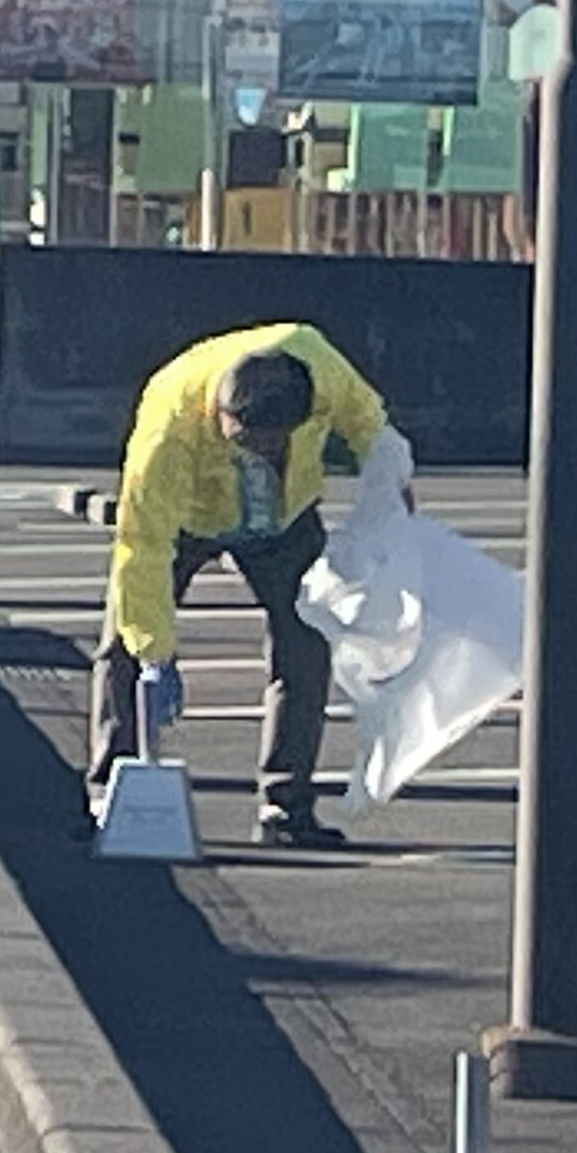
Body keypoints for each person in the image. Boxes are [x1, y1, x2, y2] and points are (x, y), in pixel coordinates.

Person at [90, 323, 414, 851]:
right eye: (243, 439)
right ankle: (110, 790)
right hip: (191, 518)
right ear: (220, 413)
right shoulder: (169, 431)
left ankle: (285, 805)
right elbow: (141, 548)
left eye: (272, 443)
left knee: (306, 646)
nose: (259, 451)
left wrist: (391, 482)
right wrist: (154, 651)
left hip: (284, 520)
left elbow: (370, 425)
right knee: (124, 642)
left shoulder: (320, 368)